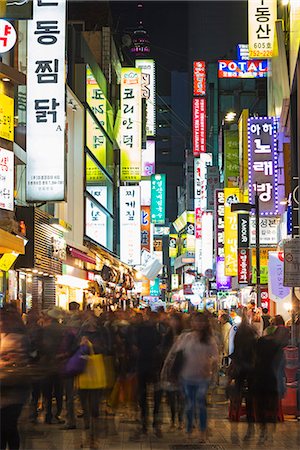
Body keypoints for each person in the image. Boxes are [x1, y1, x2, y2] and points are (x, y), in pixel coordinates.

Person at [163, 312, 219, 442]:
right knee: (189, 404)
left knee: (200, 402)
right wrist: (166, 368)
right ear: (192, 323)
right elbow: (173, 352)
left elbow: (216, 357)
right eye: (196, 321)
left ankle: (202, 431)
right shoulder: (186, 337)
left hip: (203, 377)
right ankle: (189, 429)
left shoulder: (210, 339)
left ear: (205, 323)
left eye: (201, 321)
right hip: (186, 376)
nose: (198, 324)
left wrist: (213, 371)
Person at [0, 305, 30, 450]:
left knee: (8, 426)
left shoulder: (20, 338)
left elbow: (24, 360)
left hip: (14, 389)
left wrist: (9, 361)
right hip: (5, 389)